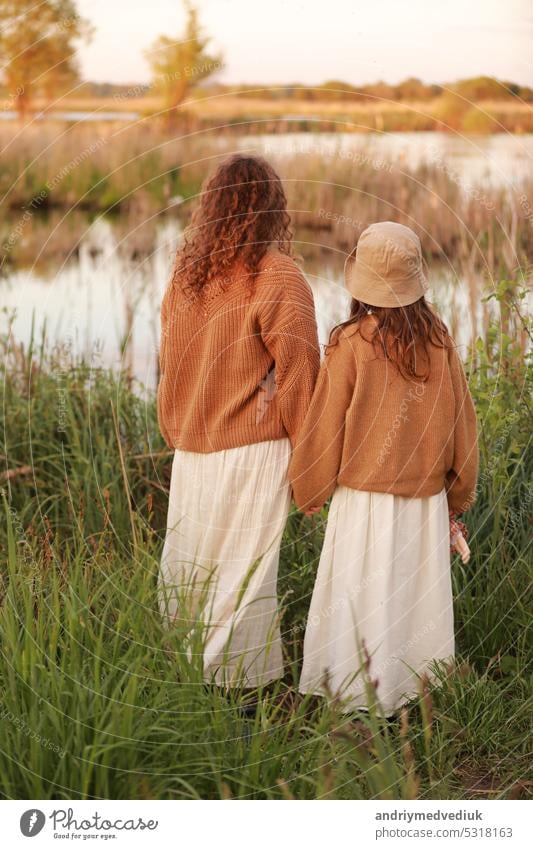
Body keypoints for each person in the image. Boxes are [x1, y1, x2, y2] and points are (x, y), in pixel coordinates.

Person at [289, 221, 478, 714]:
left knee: (360, 595)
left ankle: (356, 696)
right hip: (423, 503)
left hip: (361, 503)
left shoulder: (351, 343)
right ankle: (413, 696)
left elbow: (324, 427)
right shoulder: (440, 343)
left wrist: (310, 489)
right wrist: (455, 500)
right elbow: (464, 427)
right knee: (412, 597)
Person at [158, 154, 320, 687]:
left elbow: (170, 363)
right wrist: (313, 463)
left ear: (213, 207)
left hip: (191, 451)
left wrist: (180, 428)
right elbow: (300, 376)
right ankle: (241, 701)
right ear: (271, 210)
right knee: (245, 578)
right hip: (252, 450)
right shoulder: (278, 277)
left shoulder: (187, 277)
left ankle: (188, 685)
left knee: (194, 572)